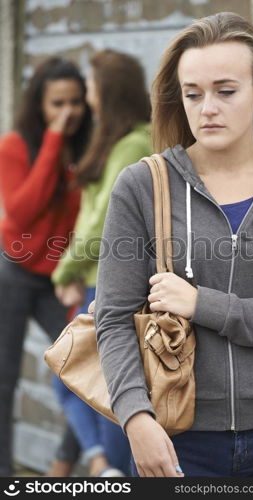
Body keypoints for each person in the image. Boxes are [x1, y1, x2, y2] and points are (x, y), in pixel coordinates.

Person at [94, 12, 253, 478]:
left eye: (225, 91)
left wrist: (204, 304)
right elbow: (113, 318)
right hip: (177, 438)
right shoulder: (142, 186)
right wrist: (136, 418)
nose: (207, 108)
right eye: (193, 94)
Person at [51, 49, 152, 477]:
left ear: (107, 90)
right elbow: (88, 217)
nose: (87, 95)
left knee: (104, 386)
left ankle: (109, 466)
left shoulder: (134, 144)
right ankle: (102, 462)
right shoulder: (117, 139)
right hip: (93, 279)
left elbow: (103, 226)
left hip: (111, 285)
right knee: (74, 377)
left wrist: (65, 271)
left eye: (91, 86)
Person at [0, 57, 92, 477]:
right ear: (39, 104)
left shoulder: (91, 145)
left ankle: (64, 464)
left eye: (76, 103)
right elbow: (22, 213)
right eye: (57, 103)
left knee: (89, 368)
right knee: (4, 381)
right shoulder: (16, 146)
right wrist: (54, 140)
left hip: (61, 282)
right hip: (15, 274)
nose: (68, 113)